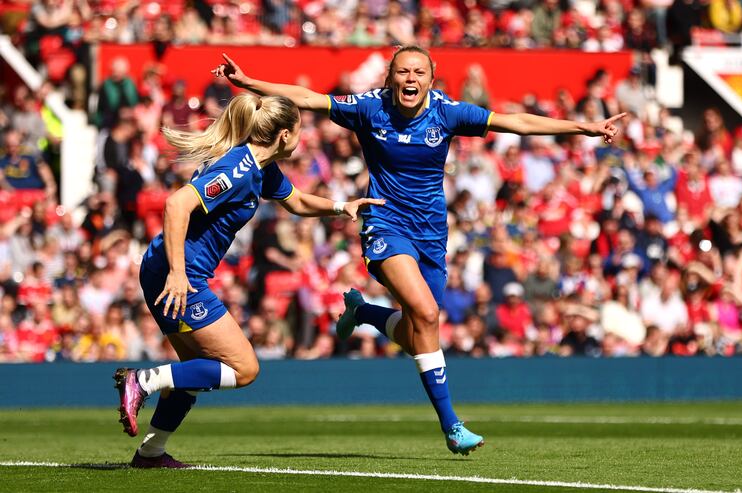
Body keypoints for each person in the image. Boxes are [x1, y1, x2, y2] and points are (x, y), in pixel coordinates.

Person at [213, 46, 624, 455]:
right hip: (385, 226)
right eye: (403, 72)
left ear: (432, 77)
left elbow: (515, 122)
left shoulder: (447, 112)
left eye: (419, 73)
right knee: (427, 315)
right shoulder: (369, 107)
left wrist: (582, 128)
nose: (410, 79)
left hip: (431, 235)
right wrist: (249, 82)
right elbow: (306, 98)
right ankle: (452, 426)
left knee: (418, 335)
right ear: (391, 77)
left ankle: (365, 312)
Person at [113, 93, 383, 468]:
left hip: (168, 268)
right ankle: (141, 382)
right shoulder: (239, 170)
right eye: (300, 131)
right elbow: (177, 205)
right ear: (285, 134)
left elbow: (298, 201)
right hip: (179, 274)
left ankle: (151, 452)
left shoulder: (261, 168)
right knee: (244, 369)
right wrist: (177, 273)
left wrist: (342, 207)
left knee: (195, 371)